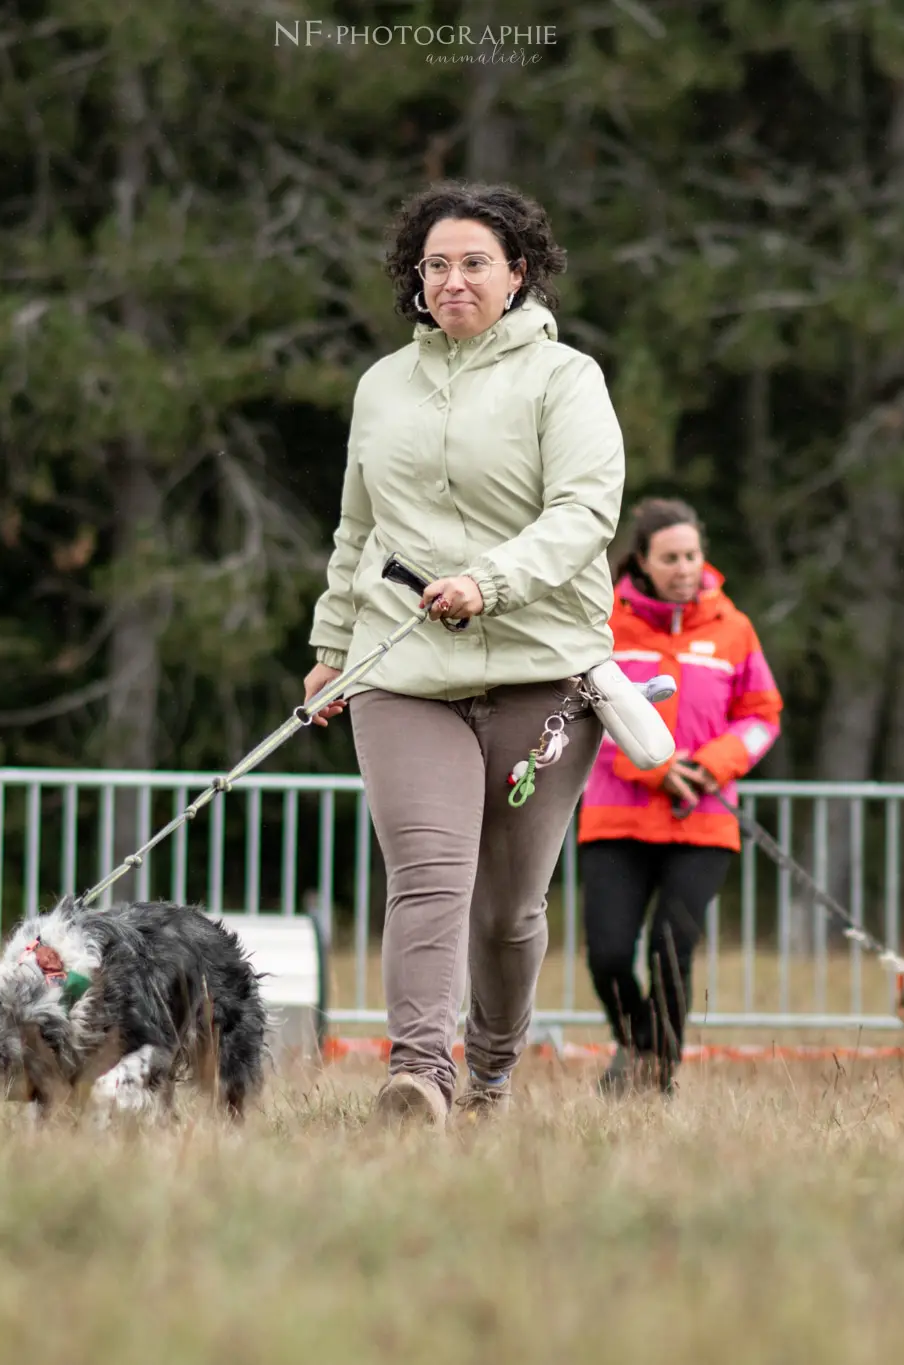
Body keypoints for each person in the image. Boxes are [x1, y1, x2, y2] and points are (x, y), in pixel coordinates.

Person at [301, 180, 626, 1129]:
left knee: (508, 910)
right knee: (430, 877)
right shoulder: (381, 386)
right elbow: (357, 529)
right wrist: (330, 648)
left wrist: (491, 581)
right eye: (434, 265)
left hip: (540, 672)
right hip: (402, 671)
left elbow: (583, 515)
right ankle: (418, 1075)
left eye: (474, 263)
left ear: (518, 274)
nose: (451, 281)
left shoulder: (566, 381)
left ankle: (489, 1067)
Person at [575, 497, 783, 1097]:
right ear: (641, 561)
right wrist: (657, 767)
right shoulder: (602, 622)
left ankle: (655, 1071)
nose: (685, 568)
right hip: (618, 813)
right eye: (670, 558)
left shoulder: (733, 628)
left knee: (673, 947)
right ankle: (637, 1042)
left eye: (692, 555)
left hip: (703, 819)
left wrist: (711, 766)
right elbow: (588, 710)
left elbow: (762, 715)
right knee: (610, 953)